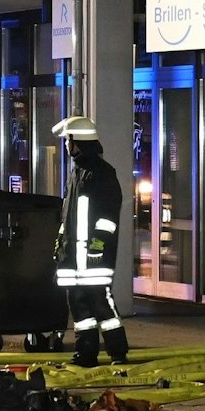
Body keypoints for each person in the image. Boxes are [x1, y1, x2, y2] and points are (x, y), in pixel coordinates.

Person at [53, 115, 128, 366]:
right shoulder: (77, 174)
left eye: (68, 140)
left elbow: (108, 217)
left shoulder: (102, 174)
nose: (66, 145)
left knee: (101, 303)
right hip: (73, 257)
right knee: (79, 306)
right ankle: (85, 354)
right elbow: (68, 214)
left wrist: (97, 246)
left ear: (77, 141)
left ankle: (117, 352)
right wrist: (61, 241)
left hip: (94, 257)